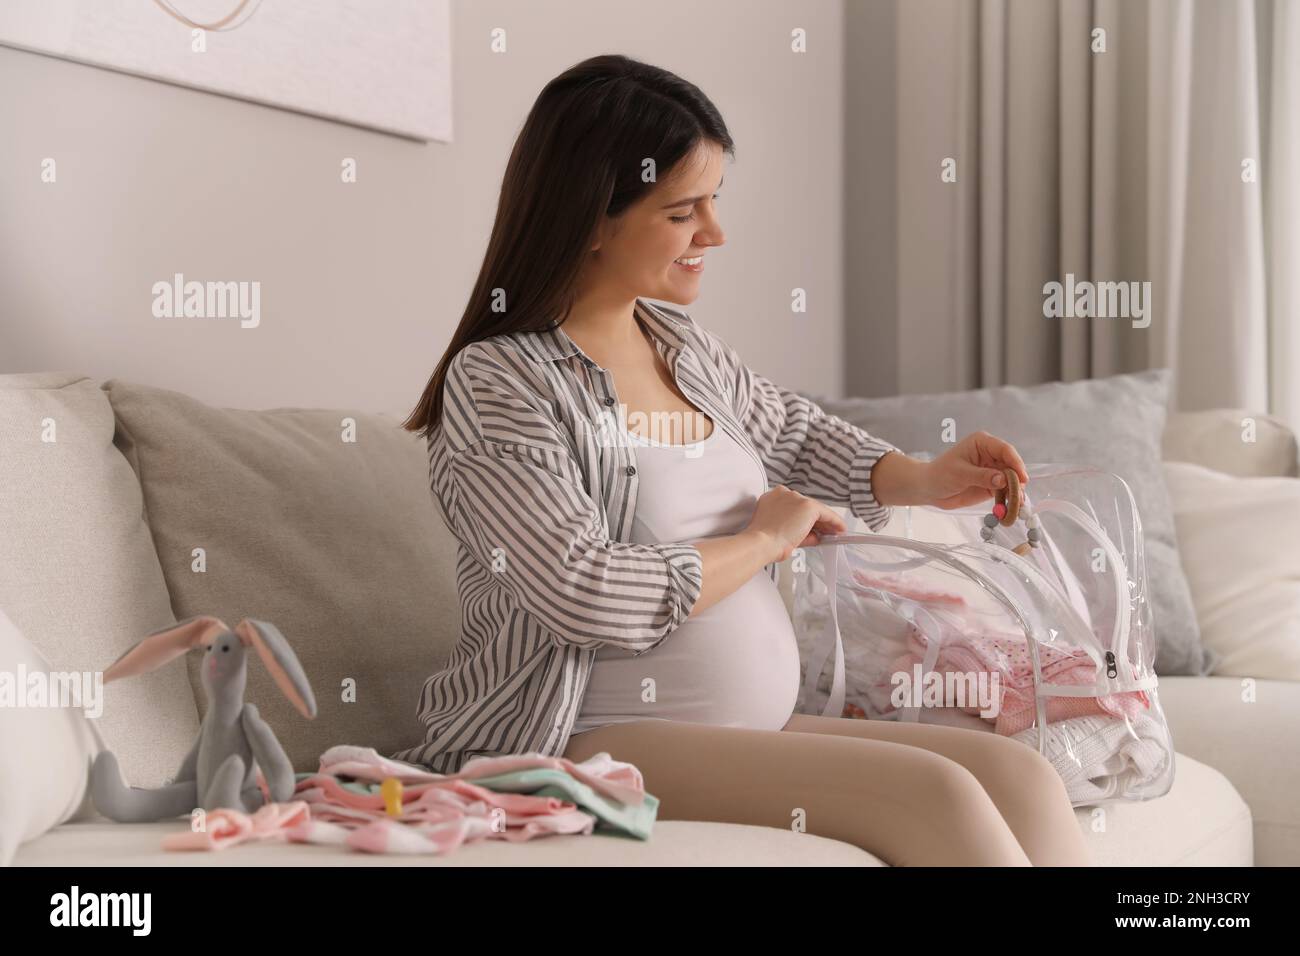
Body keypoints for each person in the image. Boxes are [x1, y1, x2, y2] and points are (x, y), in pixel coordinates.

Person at [397, 54, 1092, 866]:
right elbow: (580, 592)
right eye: (682, 210)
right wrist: (762, 541)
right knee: (940, 797)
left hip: (733, 728)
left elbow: (792, 433)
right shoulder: (500, 382)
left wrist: (926, 479)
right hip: (581, 742)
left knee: (1023, 777)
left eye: (714, 202)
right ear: (590, 215)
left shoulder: (678, 343)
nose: (714, 233)